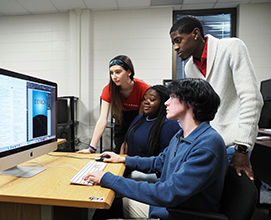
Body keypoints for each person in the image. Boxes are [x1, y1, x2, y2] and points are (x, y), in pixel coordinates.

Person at [85, 78, 228, 220]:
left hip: (178, 214)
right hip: (165, 207)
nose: (166, 102)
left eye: (172, 97)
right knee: (103, 208)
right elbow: (158, 162)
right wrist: (123, 159)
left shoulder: (207, 145)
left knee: (103, 211)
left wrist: (109, 179)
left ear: (191, 103)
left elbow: (168, 193)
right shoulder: (181, 135)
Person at [169, 15, 263, 180]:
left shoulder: (231, 47)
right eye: (173, 43)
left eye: (179, 40)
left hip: (236, 140)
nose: (176, 47)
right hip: (212, 142)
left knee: (230, 193)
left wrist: (242, 148)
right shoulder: (190, 69)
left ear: (195, 33)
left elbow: (252, 98)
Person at [77, 55, 149, 154]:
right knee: (120, 150)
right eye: (111, 73)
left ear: (129, 72)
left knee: (133, 148)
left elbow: (140, 118)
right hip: (121, 117)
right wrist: (91, 148)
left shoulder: (142, 88)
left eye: (118, 72)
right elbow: (102, 119)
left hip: (138, 118)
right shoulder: (109, 90)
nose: (114, 76)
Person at [120, 85, 180, 181]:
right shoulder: (139, 118)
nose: (146, 102)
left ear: (163, 103)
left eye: (151, 99)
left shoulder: (169, 124)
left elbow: (165, 161)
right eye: (144, 99)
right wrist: (120, 161)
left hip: (150, 172)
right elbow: (125, 143)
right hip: (131, 165)